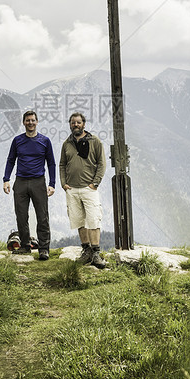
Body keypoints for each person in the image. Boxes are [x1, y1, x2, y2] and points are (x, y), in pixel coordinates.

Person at [3, 110, 56, 261]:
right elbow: (11, 160)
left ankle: (44, 249)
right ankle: (25, 246)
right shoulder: (17, 140)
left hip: (39, 181)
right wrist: (6, 179)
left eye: (33, 120)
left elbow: (51, 163)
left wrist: (52, 183)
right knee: (21, 215)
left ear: (37, 122)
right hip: (20, 182)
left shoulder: (44, 141)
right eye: (27, 120)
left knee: (42, 216)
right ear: (24, 122)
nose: (30, 123)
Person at [58, 112, 107, 269]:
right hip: (72, 189)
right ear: (70, 125)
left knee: (93, 220)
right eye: (73, 123)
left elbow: (102, 163)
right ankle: (86, 250)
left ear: (84, 124)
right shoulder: (67, 143)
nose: (76, 125)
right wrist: (63, 183)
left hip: (89, 189)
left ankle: (96, 253)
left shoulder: (95, 141)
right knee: (79, 221)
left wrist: (95, 183)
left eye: (78, 122)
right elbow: (62, 164)